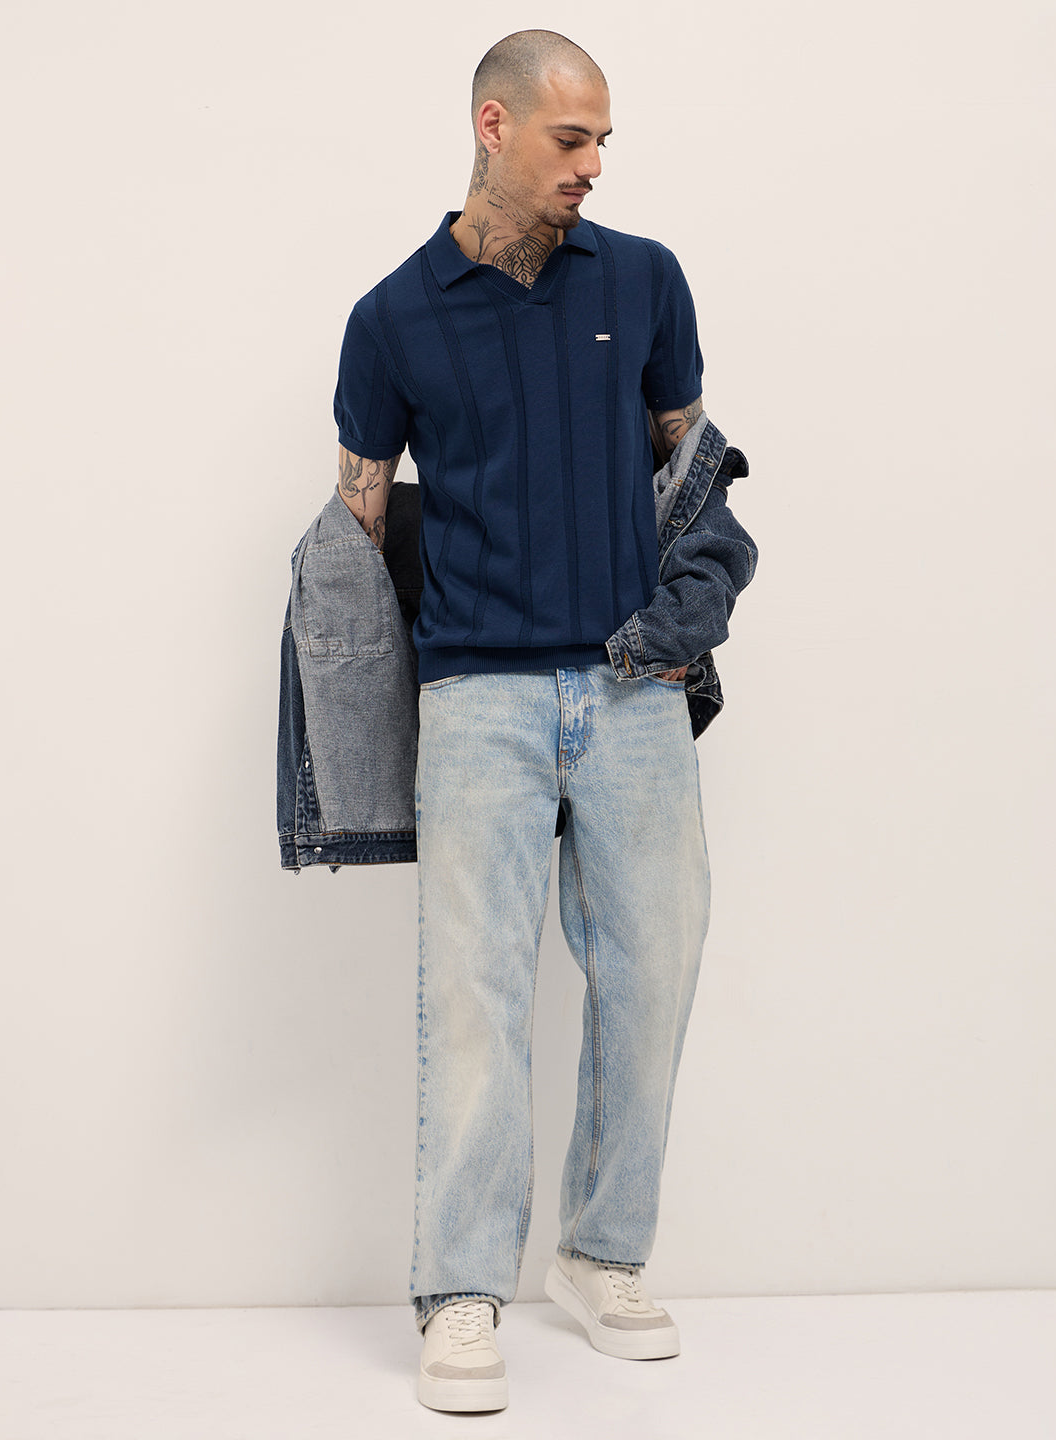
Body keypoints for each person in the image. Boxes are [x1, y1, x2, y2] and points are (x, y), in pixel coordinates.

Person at [333, 30, 724, 1414]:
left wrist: (697, 604)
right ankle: (461, 1291)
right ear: (493, 126)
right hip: (477, 695)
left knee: (655, 968)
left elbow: (695, 471)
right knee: (475, 995)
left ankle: (600, 1254)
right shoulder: (392, 317)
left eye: (604, 138)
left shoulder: (644, 279)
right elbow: (357, 531)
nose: (594, 164)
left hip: (632, 686)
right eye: (571, 138)